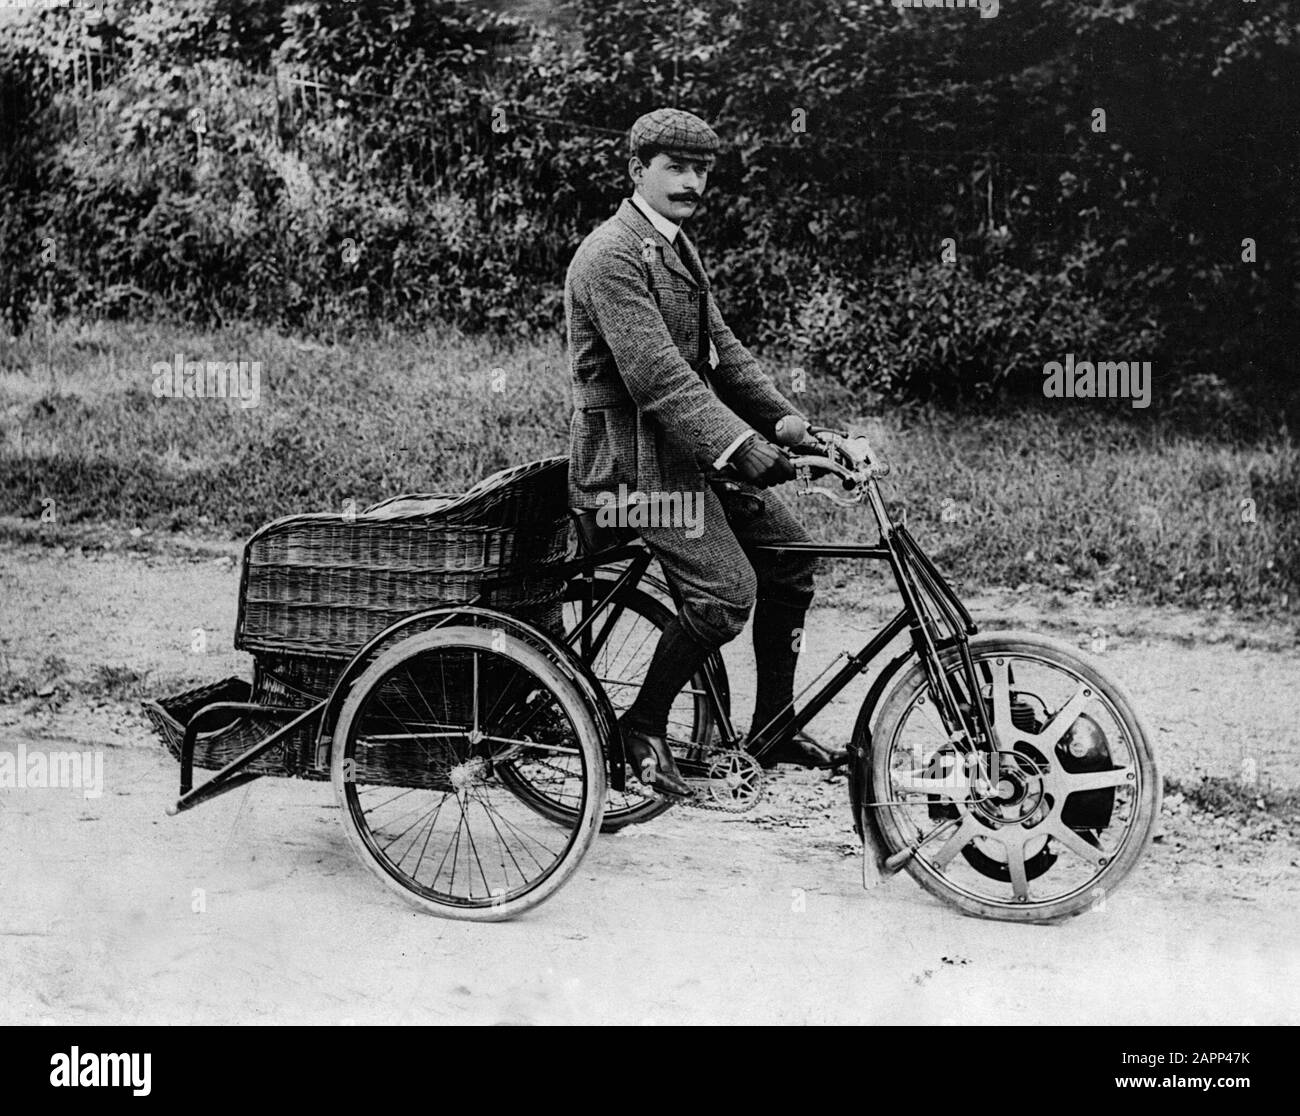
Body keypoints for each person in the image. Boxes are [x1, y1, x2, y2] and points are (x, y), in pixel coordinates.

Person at [564, 107, 846, 797]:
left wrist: (792, 428)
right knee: (724, 593)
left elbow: (726, 356)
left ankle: (773, 727)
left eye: (702, 171)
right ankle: (641, 726)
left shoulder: (675, 246)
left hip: (683, 456)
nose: (691, 183)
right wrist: (739, 446)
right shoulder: (610, 255)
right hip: (631, 470)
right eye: (676, 168)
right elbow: (656, 375)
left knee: (789, 559)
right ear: (638, 170)